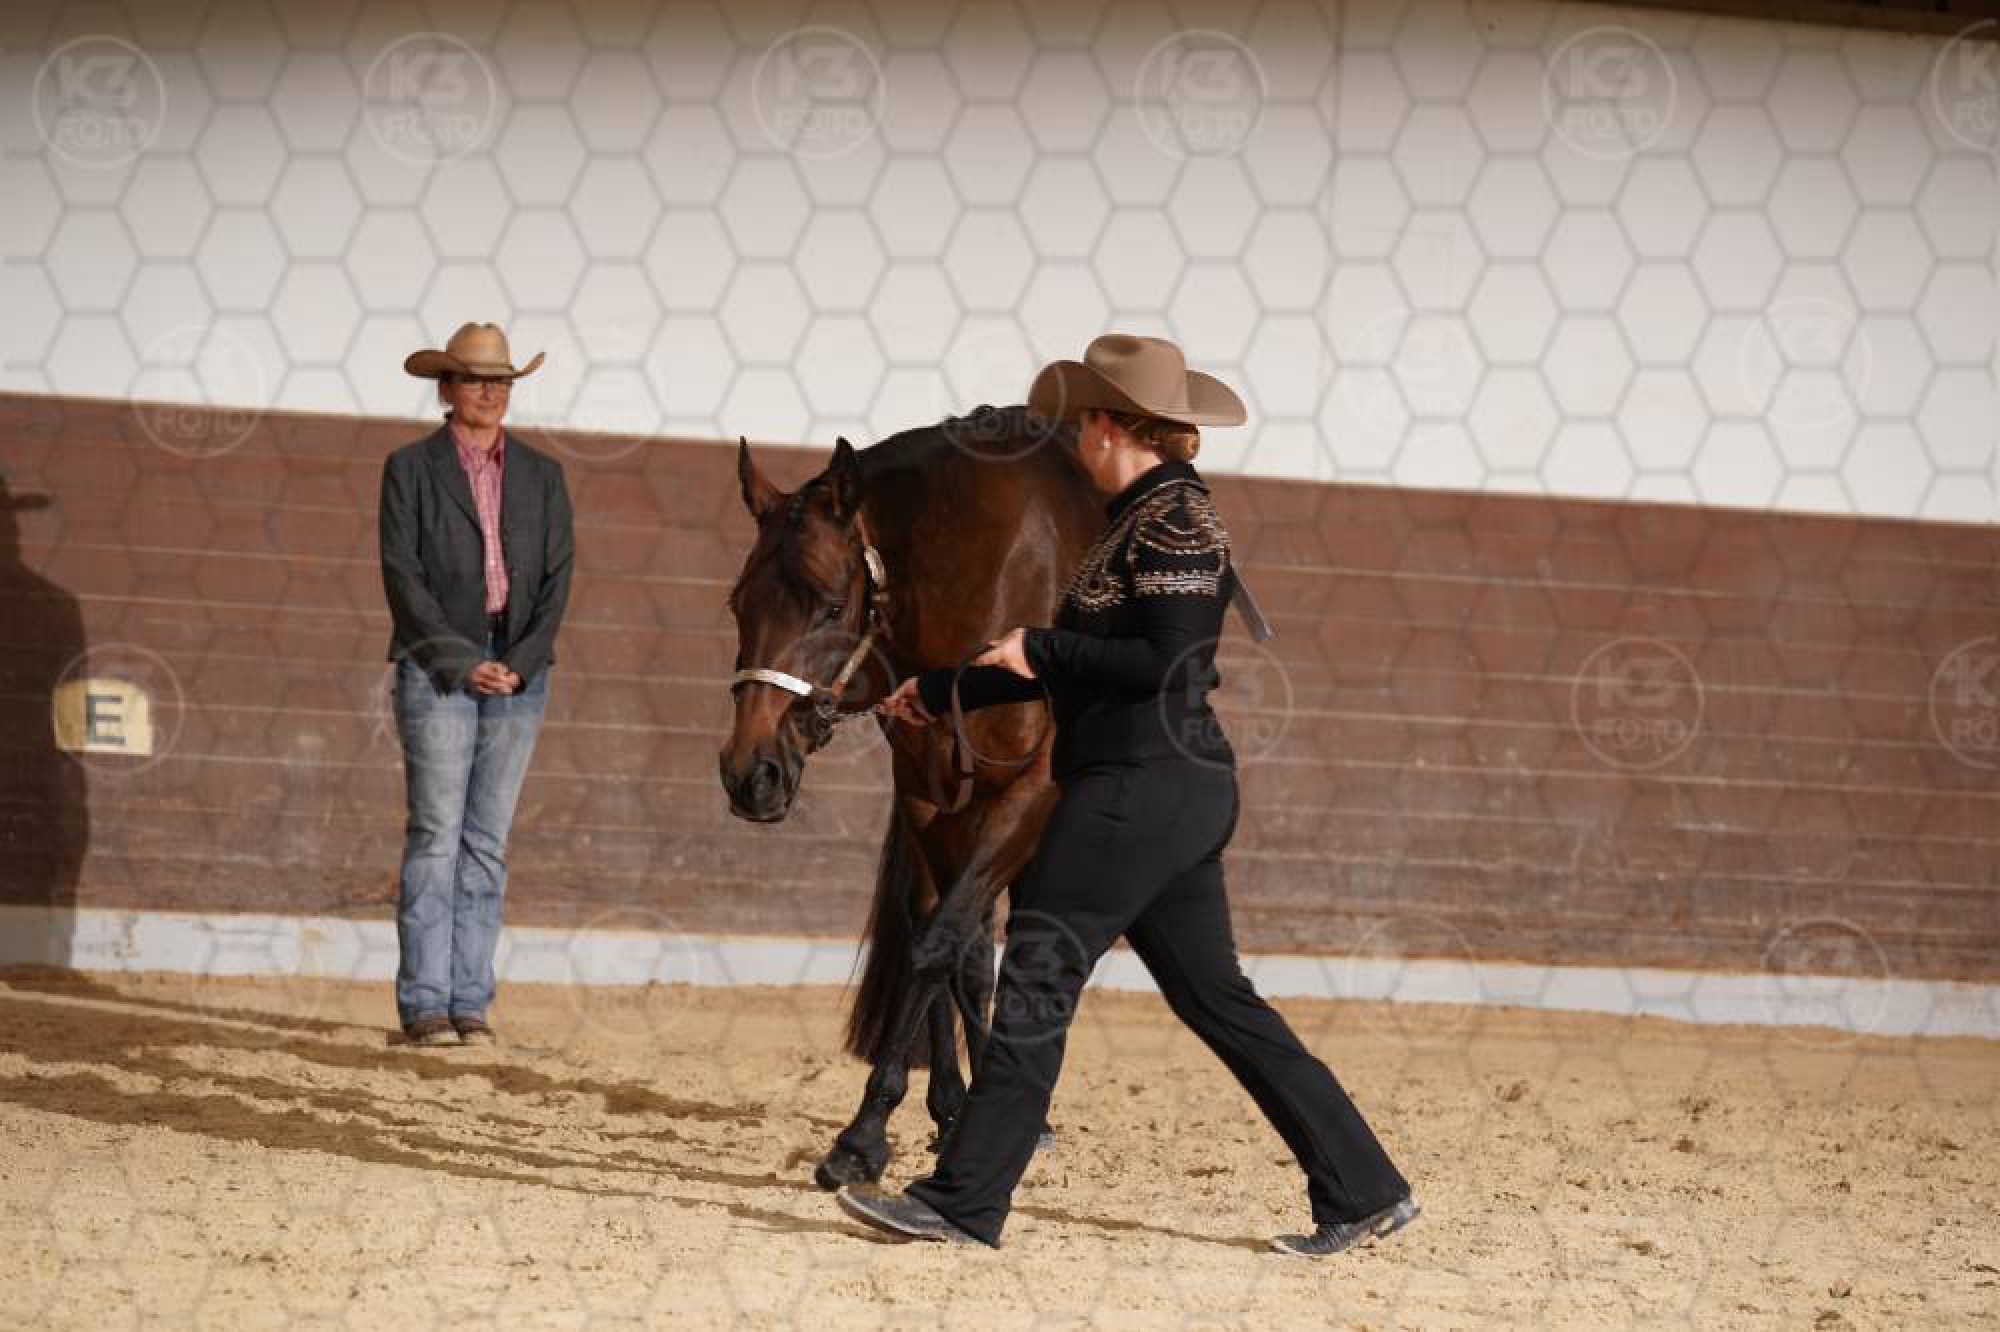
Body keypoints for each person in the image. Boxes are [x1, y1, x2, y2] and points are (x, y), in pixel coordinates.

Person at [835, 333, 1417, 1257]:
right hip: (1161, 792)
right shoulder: (1135, 518)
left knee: (1035, 978)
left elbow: (1164, 662)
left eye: (1081, 426)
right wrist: (942, 689)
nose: (1073, 441)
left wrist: (1041, 645)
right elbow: (1071, 665)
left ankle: (962, 1203)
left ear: (1111, 426)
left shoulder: (1178, 518)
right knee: (1218, 1001)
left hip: (1140, 790)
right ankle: (1365, 1189)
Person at [379, 322, 574, 1047]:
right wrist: (463, 661)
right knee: (436, 834)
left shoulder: (543, 476)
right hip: (440, 669)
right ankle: (426, 1004)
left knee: (486, 842)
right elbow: (404, 579)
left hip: (521, 671)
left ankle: (470, 1004)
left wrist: (522, 658)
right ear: (446, 389)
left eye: (500, 381)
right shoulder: (409, 469)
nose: (489, 393)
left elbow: (557, 579)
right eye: (474, 380)